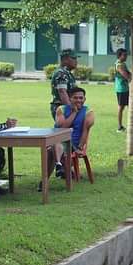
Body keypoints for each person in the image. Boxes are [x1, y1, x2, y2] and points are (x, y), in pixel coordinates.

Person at [50, 49, 78, 178]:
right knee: (63, 137)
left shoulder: (67, 73)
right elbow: (62, 92)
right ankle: (60, 166)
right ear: (65, 59)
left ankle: (64, 168)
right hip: (62, 108)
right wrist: (70, 109)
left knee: (68, 137)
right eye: (73, 58)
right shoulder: (62, 73)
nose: (76, 61)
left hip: (66, 108)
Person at [55, 87, 96, 162]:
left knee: (56, 150)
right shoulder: (61, 109)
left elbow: (85, 131)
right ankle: (59, 167)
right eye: (75, 98)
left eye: (81, 98)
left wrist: (80, 148)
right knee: (54, 148)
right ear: (70, 98)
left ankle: (62, 168)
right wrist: (74, 112)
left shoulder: (88, 112)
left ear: (84, 99)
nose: (78, 100)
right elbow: (61, 129)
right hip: (59, 141)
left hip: (74, 145)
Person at [114, 48, 131, 132]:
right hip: (121, 89)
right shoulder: (119, 65)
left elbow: (128, 74)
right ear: (119, 56)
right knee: (121, 107)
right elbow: (126, 76)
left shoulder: (123, 64)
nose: (126, 56)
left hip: (125, 88)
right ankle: (119, 127)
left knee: (129, 106)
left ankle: (129, 125)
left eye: (126, 55)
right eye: (124, 55)